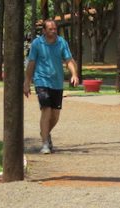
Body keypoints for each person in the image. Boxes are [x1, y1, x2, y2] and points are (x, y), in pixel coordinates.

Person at [24, 20, 79, 155]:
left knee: (55, 115)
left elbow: (69, 60)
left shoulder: (61, 43)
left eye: (55, 29)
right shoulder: (37, 44)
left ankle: (45, 132)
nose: (53, 31)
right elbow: (31, 63)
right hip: (41, 81)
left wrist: (74, 74)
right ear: (44, 31)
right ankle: (44, 144)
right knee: (46, 110)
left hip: (57, 83)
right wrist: (27, 82)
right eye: (50, 29)